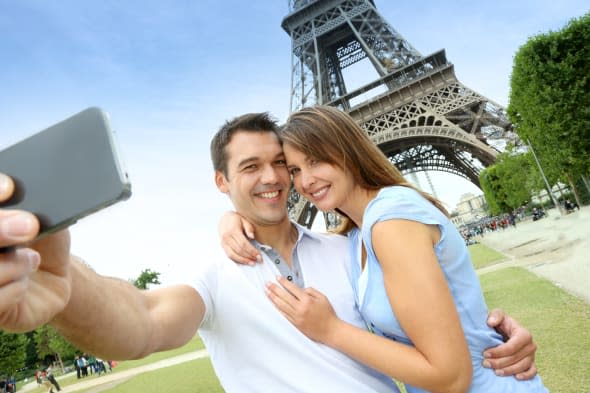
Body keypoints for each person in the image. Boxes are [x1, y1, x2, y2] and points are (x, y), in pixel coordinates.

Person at [0, 113, 536, 392]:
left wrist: (495, 331)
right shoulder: (212, 272)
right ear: (221, 182)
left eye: (283, 163)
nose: (276, 178)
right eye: (250, 167)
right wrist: (66, 287)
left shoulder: (352, 247)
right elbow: (143, 319)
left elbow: (429, 331)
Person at [244, 105, 546, 392]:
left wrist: (330, 330)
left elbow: (451, 378)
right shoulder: (358, 236)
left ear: (348, 151)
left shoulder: (391, 220)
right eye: (295, 170)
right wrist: (234, 221)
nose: (306, 181)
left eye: (316, 160)